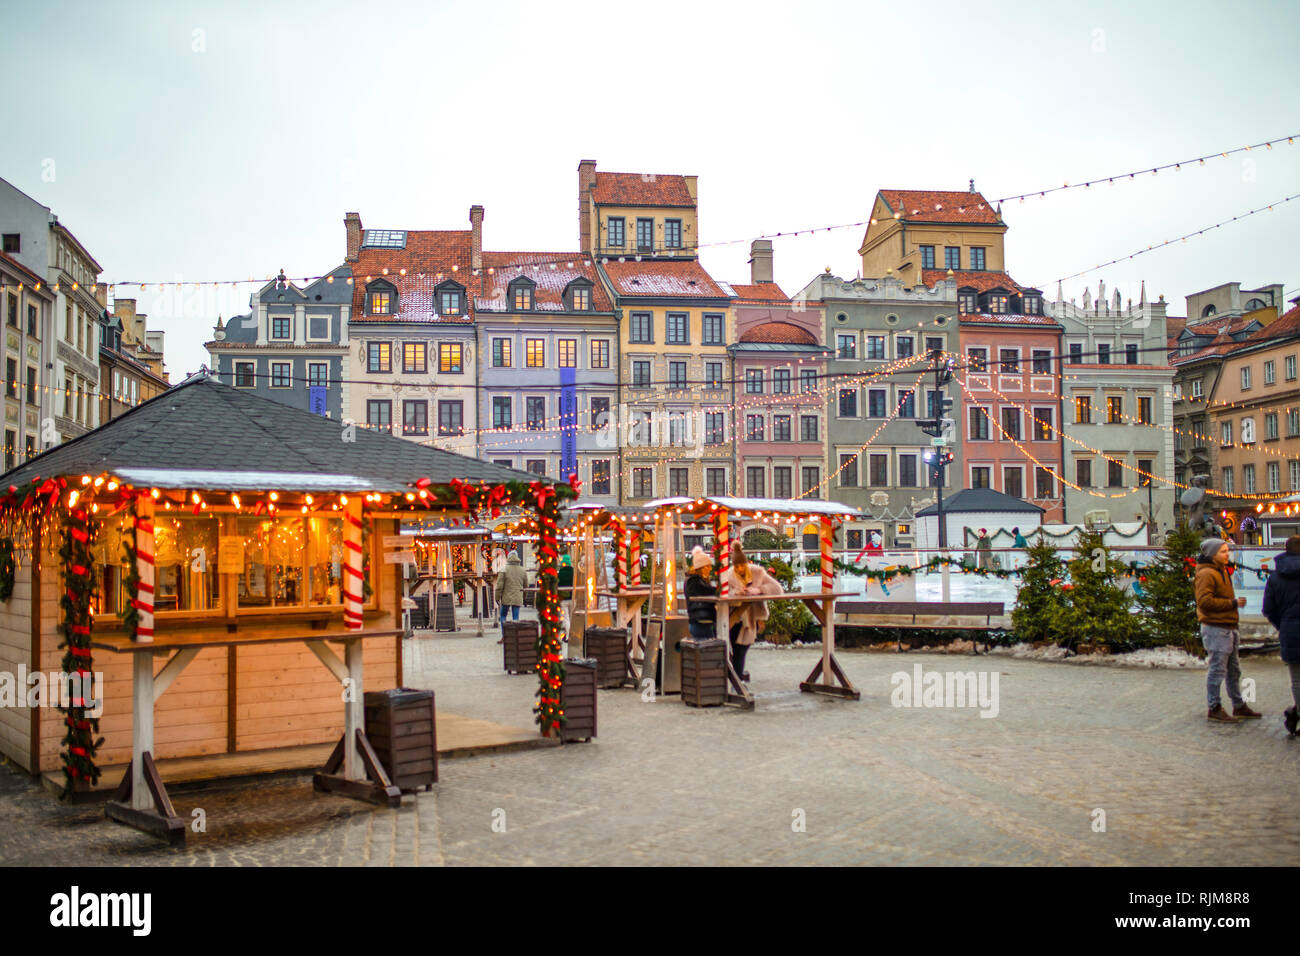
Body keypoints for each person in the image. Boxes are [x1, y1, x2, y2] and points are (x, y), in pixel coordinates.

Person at [1195, 538, 1261, 722]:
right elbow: (1204, 602)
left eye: (1227, 551)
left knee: (1234, 670)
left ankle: (1239, 705)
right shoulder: (1207, 574)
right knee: (1217, 670)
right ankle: (1214, 707)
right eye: (1223, 551)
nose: (1227, 554)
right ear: (1213, 554)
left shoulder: (1220, 570)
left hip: (1228, 626)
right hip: (1216, 628)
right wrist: (1232, 603)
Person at [719, 541, 784, 681]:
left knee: (742, 649)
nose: (740, 569)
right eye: (737, 566)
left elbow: (777, 589)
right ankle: (737, 679)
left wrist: (760, 590)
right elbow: (723, 594)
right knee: (737, 649)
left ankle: (737, 678)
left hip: (752, 617)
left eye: (742, 565)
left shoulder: (757, 572)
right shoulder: (728, 576)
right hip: (735, 617)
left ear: (746, 563)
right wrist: (736, 593)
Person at [1261, 535, 1300, 736]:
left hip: (1290, 632)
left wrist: (1283, 625)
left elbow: (1268, 609)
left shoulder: (1275, 578)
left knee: (1297, 680)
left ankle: (1296, 713)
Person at [683, 546, 718, 641]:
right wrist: (718, 591)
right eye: (708, 566)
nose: (710, 569)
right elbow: (704, 591)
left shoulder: (695, 580)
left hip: (699, 621)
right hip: (701, 621)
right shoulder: (693, 581)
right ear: (700, 568)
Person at [495, 551, 527, 626]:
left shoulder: (503, 569)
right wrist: (523, 597)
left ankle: (505, 634)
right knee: (515, 618)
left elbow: (499, 586)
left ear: (508, 558)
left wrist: (497, 597)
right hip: (517, 597)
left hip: (506, 598)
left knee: (503, 616)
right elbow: (526, 586)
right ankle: (515, 635)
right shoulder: (522, 570)